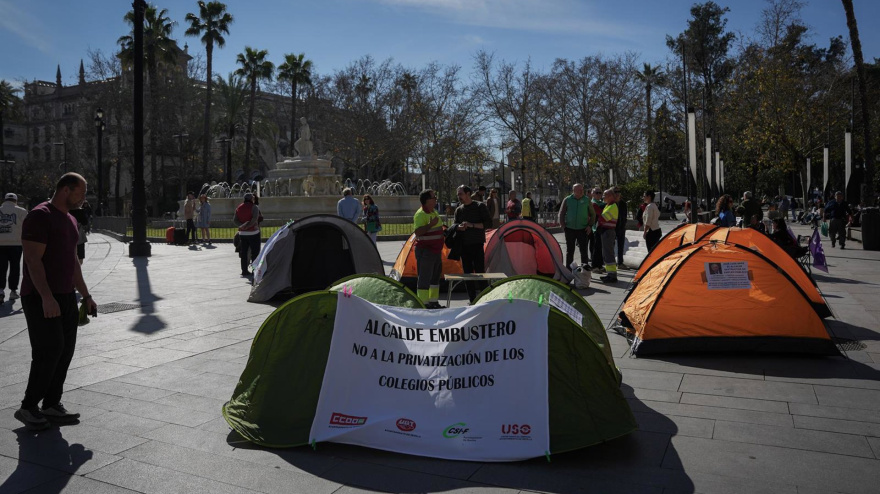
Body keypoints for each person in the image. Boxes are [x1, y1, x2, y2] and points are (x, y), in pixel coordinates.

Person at [16, 172, 97, 430]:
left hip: (64, 297)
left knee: (65, 351)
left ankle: (51, 404)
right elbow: (32, 260)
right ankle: (28, 406)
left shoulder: (70, 220)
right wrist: (46, 297)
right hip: (40, 296)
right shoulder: (40, 216)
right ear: (65, 190)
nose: (84, 198)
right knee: (49, 350)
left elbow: (73, 262)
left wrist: (86, 295)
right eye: (81, 192)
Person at [453, 185, 492, 302]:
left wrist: (472, 225)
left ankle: (484, 298)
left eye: (461, 194)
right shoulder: (459, 210)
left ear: (468, 194)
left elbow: (488, 224)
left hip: (477, 244)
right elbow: (455, 226)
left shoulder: (480, 206)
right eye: (458, 194)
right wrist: (459, 228)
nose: (459, 196)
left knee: (480, 272)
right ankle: (472, 299)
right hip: (464, 246)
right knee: (467, 274)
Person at [413, 189, 444, 308]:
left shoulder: (433, 211)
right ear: (427, 201)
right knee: (424, 278)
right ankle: (423, 304)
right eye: (433, 197)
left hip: (436, 251)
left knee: (435, 278)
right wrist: (430, 225)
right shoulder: (420, 214)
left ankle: (433, 302)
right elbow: (418, 232)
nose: (436, 199)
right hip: (426, 251)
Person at [558, 184, 595, 269]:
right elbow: (561, 213)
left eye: (582, 189)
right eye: (579, 190)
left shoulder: (587, 200)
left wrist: (590, 225)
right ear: (574, 191)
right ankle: (568, 271)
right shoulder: (567, 199)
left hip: (583, 229)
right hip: (569, 229)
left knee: (584, 251)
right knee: (570, 251)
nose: (582, 191)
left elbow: (593, 214)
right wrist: (563, 226)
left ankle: (584, 271)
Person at [1, 193, 28, 303]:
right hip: (16, 244)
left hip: (0, 244)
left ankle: (0, 290)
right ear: (15, 201)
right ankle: (13, 291)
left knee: (1, 267)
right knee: (15, 267)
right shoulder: (21, 211)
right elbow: (27, 226)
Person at [234, 193, 261, 276]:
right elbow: (254, 219)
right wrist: (248, 226)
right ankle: (254, 270)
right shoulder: (254, 207)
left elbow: (235, 220)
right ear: (251, 199)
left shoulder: (239, 207)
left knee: (244, 252)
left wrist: (242, 226)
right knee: (255, 253)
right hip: (253, 233)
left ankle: (244, 271)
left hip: (242, 233)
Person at [598, 189, 619, 283]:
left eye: (605, 195)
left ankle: (612, 275)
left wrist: (595, 209)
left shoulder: (613, 206)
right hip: (606, 232)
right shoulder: (608, 205)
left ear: (610, 196)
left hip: (608, 232)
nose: (603, 197)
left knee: (608, 253)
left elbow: (603, 219)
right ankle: (610, 273)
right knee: (606, 253)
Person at [589, 187, 605, 270]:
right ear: (592, 194)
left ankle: (599, 265)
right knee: (595, 247)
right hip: (594, 228)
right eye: (596, 192)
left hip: (600, 227)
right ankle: (595, 266)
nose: (598, 194)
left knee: (599, 247)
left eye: (600, 193)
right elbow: (601, 213)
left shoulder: (601, 203)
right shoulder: (593, 203)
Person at [614, 188, 628, 267]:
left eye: (619, 192)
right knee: (611, 247)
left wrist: (624, 224)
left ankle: (620, 262)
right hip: (613, 227)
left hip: (621, 227)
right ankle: (611, 262)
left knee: (621, 246)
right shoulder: (611, 203)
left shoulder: (623, 203)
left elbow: (625, 215)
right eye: (615, 192)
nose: (617, 193)